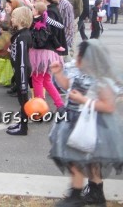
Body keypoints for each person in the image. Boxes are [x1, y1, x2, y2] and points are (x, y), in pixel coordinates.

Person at [49, 40, 123, 206]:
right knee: (87, 161)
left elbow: (108, 106)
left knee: (77, 161)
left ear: (89, 59)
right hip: (74, 121)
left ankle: (76, 195)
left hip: (90, 125)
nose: (76, 59)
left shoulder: (102, 80)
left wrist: (83, 99)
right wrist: (59, 73)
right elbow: (68, 87)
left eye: (79, 56)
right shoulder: (78, 73)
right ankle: (96, 194)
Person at [29, 0, 66, 112]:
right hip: (50, 52)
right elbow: (60, 26)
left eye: (34, 1)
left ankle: (40, 108)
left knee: (37, 78)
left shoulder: (42, 16)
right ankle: (60, 104)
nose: (32, 4)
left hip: (41, 52)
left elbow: (55, 30)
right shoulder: (50, 14)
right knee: (46, 80)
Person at [6, 7, 34, 136]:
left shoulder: (22, 37)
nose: (11, 19)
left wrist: (22, 82)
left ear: (21, 19)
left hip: (21, 71)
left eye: (13, 16)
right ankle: (21, 123)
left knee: (23, 100)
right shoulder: (21, 35)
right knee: (21, 101)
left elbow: (22, 60)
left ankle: (23, 128)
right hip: (19, 71)